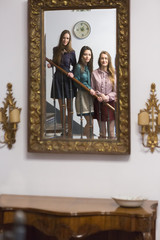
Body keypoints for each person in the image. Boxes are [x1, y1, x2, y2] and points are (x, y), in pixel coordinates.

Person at [47, 30, 77, 137]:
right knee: (62, 107)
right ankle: (63, 130)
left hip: (68, 81)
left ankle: (70, 131)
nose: (65, 40)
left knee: (69, 108)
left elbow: (75, 66)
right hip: (58, 80)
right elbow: (56, 62)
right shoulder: (56, 50)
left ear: (70, 40)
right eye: (64, 38)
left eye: (68, 38)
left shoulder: (72, 52)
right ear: (61, 38)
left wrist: (72, 73)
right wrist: (51, 64)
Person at [91, 51, 116, 139]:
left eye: (106, 58)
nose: (104, 60)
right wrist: (99, 95)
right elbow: (92, 88)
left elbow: (116, 91)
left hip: (110, 104)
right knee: (102, 133)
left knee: (111, 133)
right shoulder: (94, 73)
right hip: (99, 103)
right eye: (102, 58)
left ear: (108, 60)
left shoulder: (114, 73)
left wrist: (107, 97)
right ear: (99, 60)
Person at [73, 46, 95, 138]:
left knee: (91, 122)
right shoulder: (78, 66)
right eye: (85, 54)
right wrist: (88, 88)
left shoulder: (88, 67)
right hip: (82, 96)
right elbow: (76, 82)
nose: (87, 56)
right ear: (81, 55)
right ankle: (88, 141)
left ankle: (89, 141)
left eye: (89, 55)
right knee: (89, 122)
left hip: (89, 97)